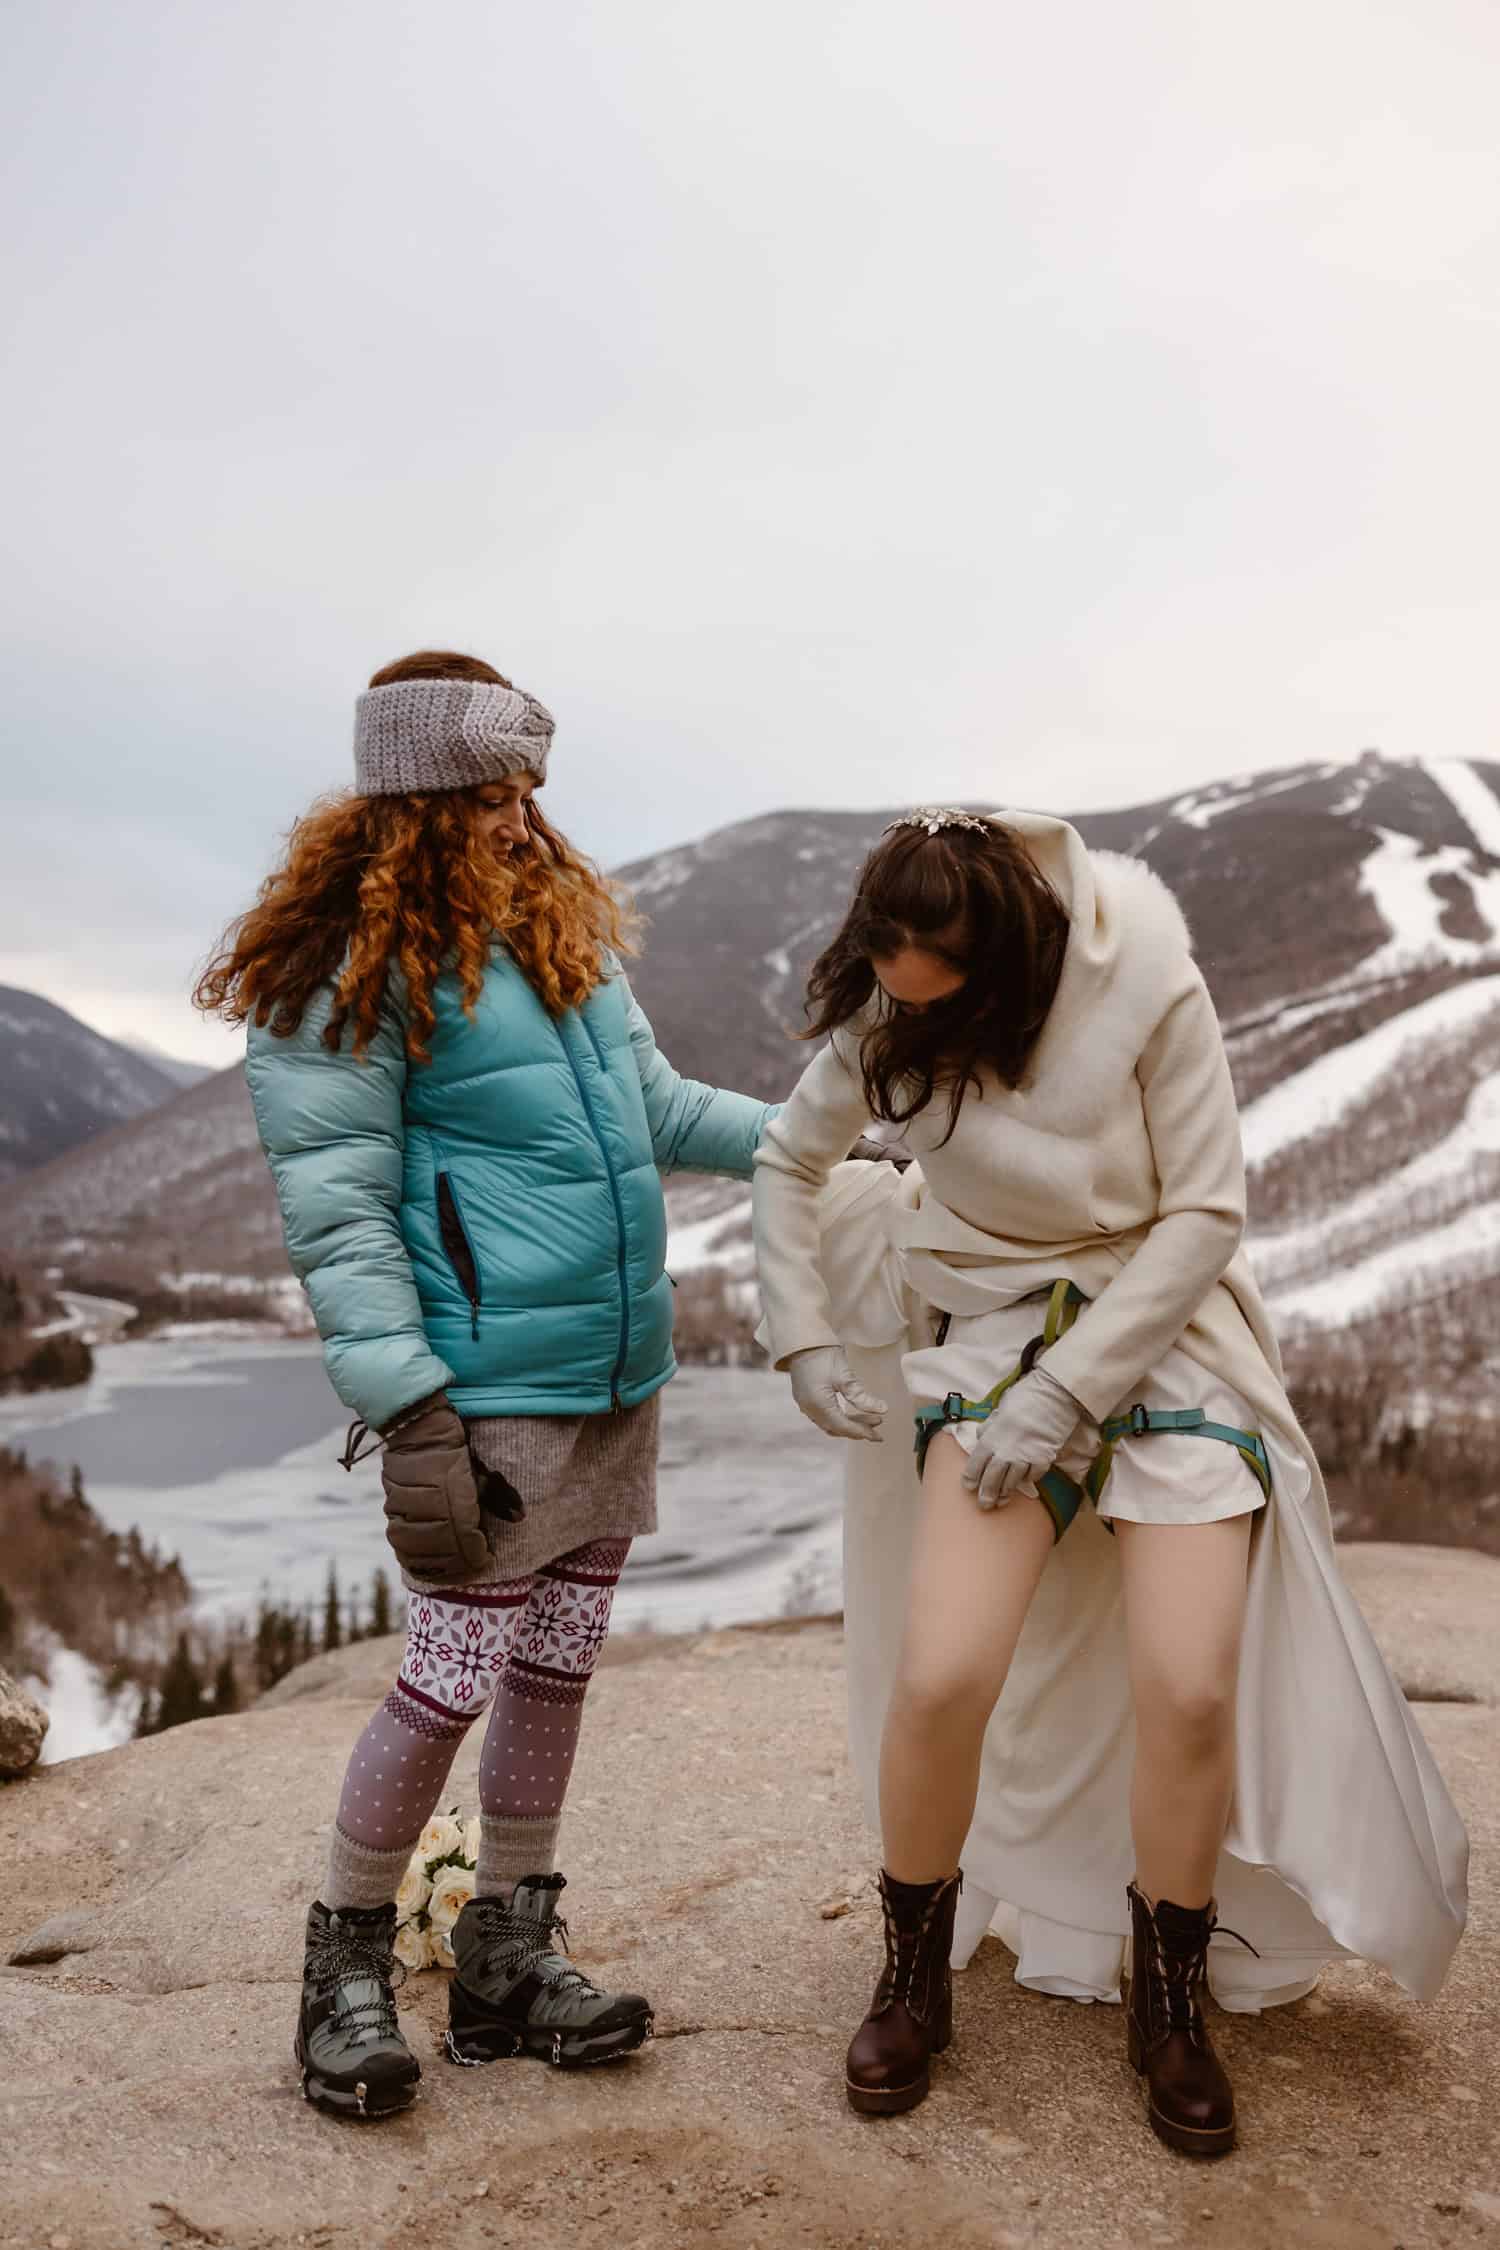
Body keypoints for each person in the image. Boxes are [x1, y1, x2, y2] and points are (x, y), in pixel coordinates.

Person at [751, 805, 1467, 2157]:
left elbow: (1206, 1211)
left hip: (1166, 1327)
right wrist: (798, 1332)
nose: (912, 1008)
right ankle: (911, 1967)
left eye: (939, 989)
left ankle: (1173, 1991)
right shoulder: (889, 1000)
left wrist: (1072, 1390)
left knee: (1188, 1685)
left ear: (1010, 963)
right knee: (943, 1670)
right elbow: (793, 1157)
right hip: (992, 1322)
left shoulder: (1145, 980)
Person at [197, 649, 775, 2120]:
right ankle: (341, 1966)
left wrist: (830, 1138)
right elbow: (336, 1204)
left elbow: (663, 1109)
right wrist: (408, 1406)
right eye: (494, 790)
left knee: (559, 1662)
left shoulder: (560, 935)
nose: (524, 817)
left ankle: (508, 1954)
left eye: (532, 787)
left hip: (613, 1378)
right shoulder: (352, 966)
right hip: (482, 1394)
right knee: (446, 1677)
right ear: (419, 798)